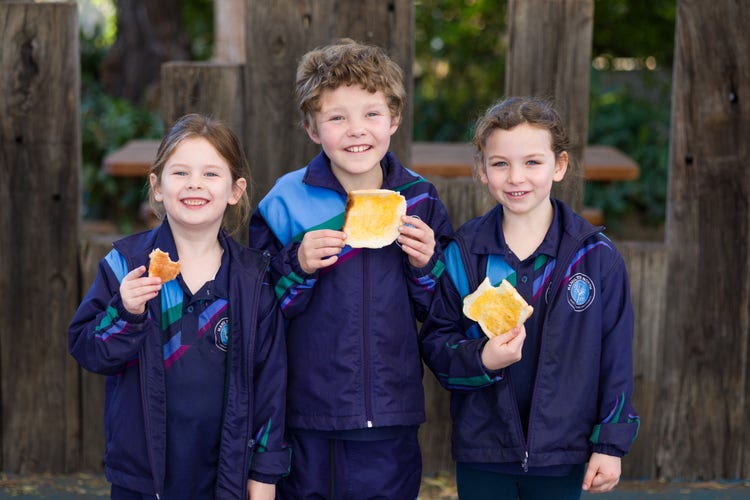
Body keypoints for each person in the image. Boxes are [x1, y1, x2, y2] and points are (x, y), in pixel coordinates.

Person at [249, 39, 453, 499]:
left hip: (390, 411)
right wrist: (296, 265)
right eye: (337, 117)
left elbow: (442, 311)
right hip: (306, 412)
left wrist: (427, 265)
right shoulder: (285, 200)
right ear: (312, 128)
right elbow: (260, 309)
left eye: (371, 114)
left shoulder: (420, 199)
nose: (356, 130)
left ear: (394, 120)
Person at [419, 97, 640, 499]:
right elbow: (436, 344)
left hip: (565, 452)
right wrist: (482, 359)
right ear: (483, 171)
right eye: (500, 163)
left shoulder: (595, 256)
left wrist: (609, 444)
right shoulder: (463, 253)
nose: (516, 176)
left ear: (559, 166)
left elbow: (616, 356)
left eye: (533, 162)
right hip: (483, 449)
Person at [68, 114, 290, 500]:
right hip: (142, 475)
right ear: (157, 186)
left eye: (210, 174)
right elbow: (89, 350)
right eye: (180, 172)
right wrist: (126, 313)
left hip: (227, 472)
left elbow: (270, 385)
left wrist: (265, 475)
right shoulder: (126, 264)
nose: (194, 184)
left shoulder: (253, 279)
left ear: (235, 190)